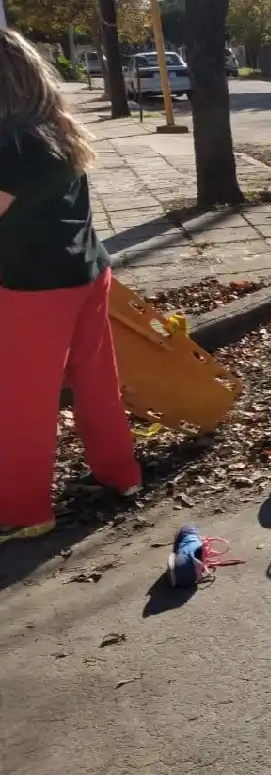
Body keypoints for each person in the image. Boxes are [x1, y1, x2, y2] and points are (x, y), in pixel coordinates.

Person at [0, 28, 142, 544]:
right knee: (96, 380)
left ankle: (23, 509)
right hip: (86, 271)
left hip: (31, 287)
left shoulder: (11, 146)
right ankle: (120, 474)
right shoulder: (53, 130)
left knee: (20, 400)